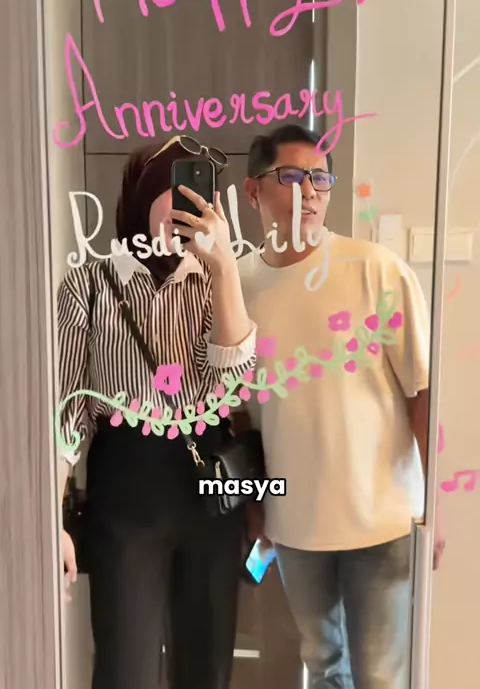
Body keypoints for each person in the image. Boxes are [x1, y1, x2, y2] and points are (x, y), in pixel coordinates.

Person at [237, 124, 445, 689]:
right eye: (291, 177)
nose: (309, 191)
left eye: (320, 179)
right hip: (294, 525)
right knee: (325, 666)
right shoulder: (240, 285)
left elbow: (423, 390)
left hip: (382, 520)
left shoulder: (374, 269)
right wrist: (255, 509)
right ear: (253, 191)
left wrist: (435, 504)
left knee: (380, 676)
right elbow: (240, 412)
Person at [57, 135, 256, 689]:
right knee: (125, 670)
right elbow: (67, 411)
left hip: (209, 488)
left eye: (199, 191)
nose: (188, 201)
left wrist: (225, 269)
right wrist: (52, 519)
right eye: (173, 187)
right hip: (126, 491)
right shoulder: (90, 283)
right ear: (143, 196)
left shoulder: (217, 281)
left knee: (206, 668)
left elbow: (233, 383)